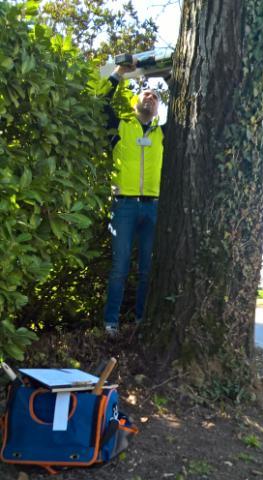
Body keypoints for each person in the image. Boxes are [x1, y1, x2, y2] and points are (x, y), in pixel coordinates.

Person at [103, 65, 166, 335]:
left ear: (158, 108)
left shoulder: (163, 134)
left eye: (155, 97)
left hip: (153, 206)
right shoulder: (121, 127)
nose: (150, 97)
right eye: (145, 94)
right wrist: (117, 73)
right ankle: (110, 324)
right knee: (119, 267)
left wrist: (171, 81)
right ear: (135, 102)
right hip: (124, 205)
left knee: (147, 270)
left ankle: (141, 322)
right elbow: (101, 104)